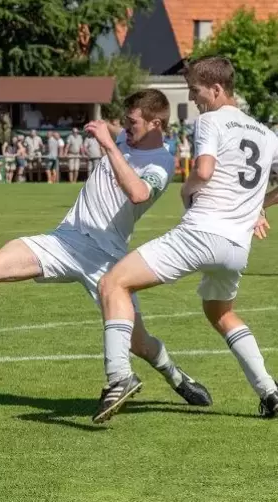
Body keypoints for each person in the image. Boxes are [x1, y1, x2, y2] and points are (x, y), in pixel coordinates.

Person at [0, 89, 213, 412]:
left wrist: (111, 145)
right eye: (125, 123)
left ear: (156, 124)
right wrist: (108, 130)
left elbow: (139, 194)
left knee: (139, 343)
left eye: (133, 124)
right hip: (64, 241)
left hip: (107, 259)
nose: (126, 129)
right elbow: (115, 130)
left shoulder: (161, 162)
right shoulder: (128, 138)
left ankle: (177, 378)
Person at [93, 56, 278, 423]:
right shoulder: (267, 134)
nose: (193, 98)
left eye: (195, 90)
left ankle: (118, 378)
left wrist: (187, 190)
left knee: (113, 282)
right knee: (220, 312)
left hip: (201, 233)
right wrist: (259, 206)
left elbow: (205, 170)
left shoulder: (210, 120)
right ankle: (270, 391)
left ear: (217, 89)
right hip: (237, 247)